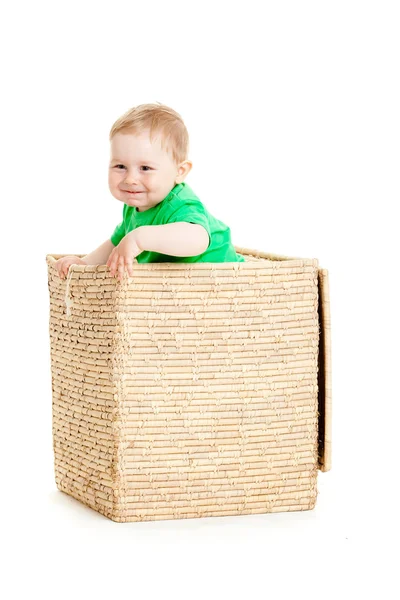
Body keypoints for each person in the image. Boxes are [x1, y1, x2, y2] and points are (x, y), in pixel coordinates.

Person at [55, 102, 245, 282]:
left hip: (224, 280)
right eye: (120, 166)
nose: (130, 179)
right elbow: (116, 245)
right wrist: (85, 263)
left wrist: (139, 239)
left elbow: (199, 240)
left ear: (180, 172)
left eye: (145, 168)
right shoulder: (134, 207)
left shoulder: (180, 203)